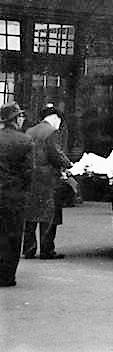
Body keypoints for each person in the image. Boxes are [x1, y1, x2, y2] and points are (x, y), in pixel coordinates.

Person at [23, 103, 73, 259]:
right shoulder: (51, 132)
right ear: (55, 118)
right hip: (48, 180)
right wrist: (69, 165)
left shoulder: (30, 131)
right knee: (49, 216)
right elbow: (55, 154)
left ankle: (29, 249)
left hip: (32, 178)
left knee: (30, 215)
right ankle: (47, 250)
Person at [0, 102, 33, 287]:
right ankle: (6, 276)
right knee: (12, 237)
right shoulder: (24, 141)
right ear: (15, 119)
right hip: (13, 197)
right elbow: (28, 173)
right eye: (20, 116)